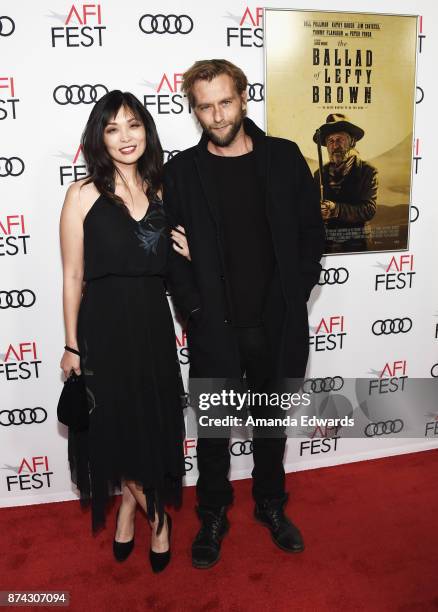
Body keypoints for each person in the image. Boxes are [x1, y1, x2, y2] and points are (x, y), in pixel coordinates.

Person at [163, 59, 325, 569]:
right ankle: (212, 514)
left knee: (271, 427)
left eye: (225, 101)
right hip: (216, 329)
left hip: (276, 326)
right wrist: (193, 310)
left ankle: (271, 507)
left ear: (243, 97)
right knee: (213, 432)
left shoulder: (283, 157)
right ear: (195, 109)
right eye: (205, 106)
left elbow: (309, 235)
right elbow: (169, 250)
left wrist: (293, 294)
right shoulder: (181, 172)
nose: (217, 114)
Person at [59, 90, 190, 573]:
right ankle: (159, 518)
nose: (125, 137)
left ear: (146, 130)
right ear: (100, 138)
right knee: (113, 430)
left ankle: (130, 507)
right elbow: (73, 276)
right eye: (112, 128)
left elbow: (177, 261)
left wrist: (193, 255)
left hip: (153, 326)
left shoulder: (163, 191)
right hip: (103, 330)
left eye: (133, 125)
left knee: (149, 428)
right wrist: (72, 344)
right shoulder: (81, 194)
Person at [313, 113, 378, 253]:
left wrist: (336, 209)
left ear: (352, 141)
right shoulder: (319, 174)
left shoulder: (367, 171)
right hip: (327, 245)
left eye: (340, 139)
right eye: (330, 141)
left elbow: (369, 210)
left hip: (357, 245)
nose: (335, 145)